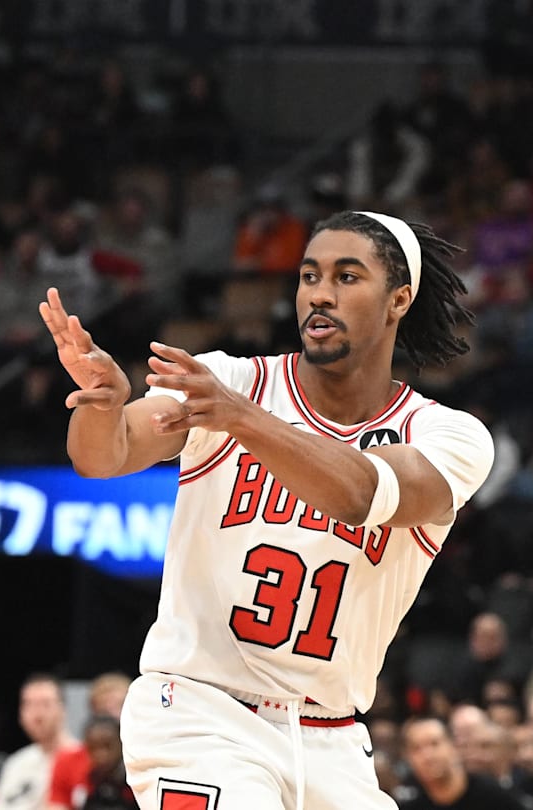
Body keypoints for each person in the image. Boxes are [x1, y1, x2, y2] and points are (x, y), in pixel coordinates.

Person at [42, 209, 493, 809]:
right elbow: (106, 455)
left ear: (399, 299)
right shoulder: (229, 381)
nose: (320, 295)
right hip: (202, 715)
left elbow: (363, 495)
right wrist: (101, 405)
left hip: (332, 738)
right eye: (309, 277)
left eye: (347, 277)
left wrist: (239, 418)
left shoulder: (447, 436)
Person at [396, 717, 525, 810]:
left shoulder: (493, 795)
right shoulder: (409, 803)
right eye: (416, 748)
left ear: (454, 746)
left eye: (434, 744)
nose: (427, 756)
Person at [0, 675, 77, 810]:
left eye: (45, 704)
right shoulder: (16, 763)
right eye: (28, 704)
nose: (37, 714)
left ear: (63, 709)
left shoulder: (82, 760)